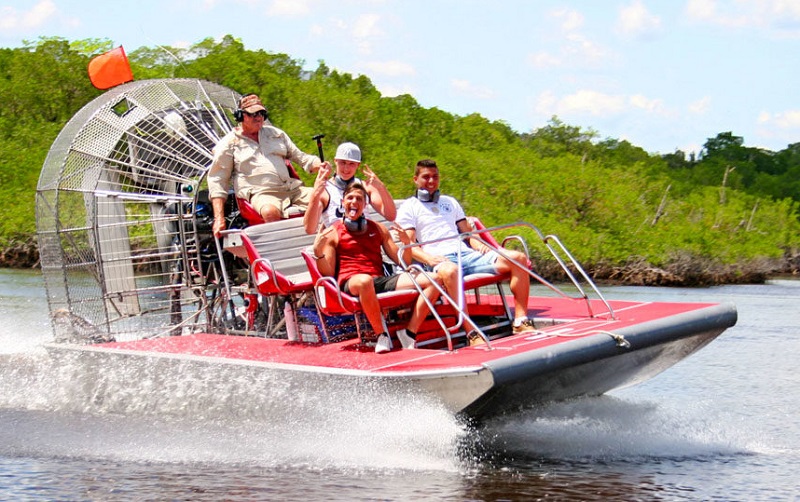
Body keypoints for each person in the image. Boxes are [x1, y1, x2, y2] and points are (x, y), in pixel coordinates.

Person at [395, 159, 536, 342]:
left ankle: (520, 320)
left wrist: (479, 245)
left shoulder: (450, 202)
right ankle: (472, 332)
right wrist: (429, 259)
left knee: (518, 257)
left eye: (435, 177)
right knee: (450, 270)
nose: (431, 181)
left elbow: (467, 234)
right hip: (439, 259)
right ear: (415, 179)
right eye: (426, 177)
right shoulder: (409, 207)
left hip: (466, 255)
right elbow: (409, 245)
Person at [312, 183, 440, 353]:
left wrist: (407, 243)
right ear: (343, 203)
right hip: (351, 281)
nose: (354, 202)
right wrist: (318, 252)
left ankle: (409, 333)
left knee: (434, 279)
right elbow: (327, 272)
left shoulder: (377, 228)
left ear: (365, 205)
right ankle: (381, 335)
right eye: (350, 198)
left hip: (378, 280)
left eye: (359, 199)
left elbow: (403, 262)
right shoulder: (333, 232)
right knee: (365, 281)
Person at [208, 93, 322, 236]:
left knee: (325, 196)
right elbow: (217, 181)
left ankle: (323, 247)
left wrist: (319, 165)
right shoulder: (228, 144)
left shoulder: (276, 134)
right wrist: (219, 218)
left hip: (291, 189)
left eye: (261, 113)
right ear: (240, 116)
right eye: (253, 114)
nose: (259, 117)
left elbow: (301, 157)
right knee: (270, 212)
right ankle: (280, 253)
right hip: (262, 194)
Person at [303, 142, 396, 234]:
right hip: (338, 242)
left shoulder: (366, 188)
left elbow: (391, 216)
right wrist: (316, 192)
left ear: (358, 165)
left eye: (351, 164)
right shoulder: (325, 191)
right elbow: (310, 229)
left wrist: (381, 187)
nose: (346, 169)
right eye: (342, 163)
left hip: (365, 239)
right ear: (335, 161)